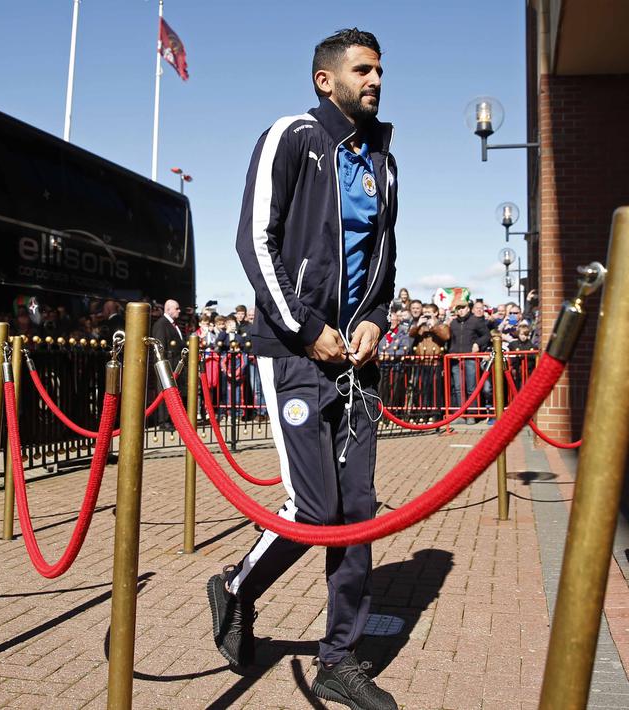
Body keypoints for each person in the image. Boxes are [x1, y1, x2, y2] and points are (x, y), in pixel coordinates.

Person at [217, 27, 399, 710]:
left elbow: (384, 262)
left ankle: (339, 659)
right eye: (362, 69)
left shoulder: (382, 160)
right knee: (314, 508)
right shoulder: (291, 136)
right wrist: (305, 327)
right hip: (294, 355)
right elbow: (254, 241)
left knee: (356, 513)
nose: (374, 79)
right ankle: (237, 587)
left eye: (379, 68)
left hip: (357, 365)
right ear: (327, 80)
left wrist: (376, 318)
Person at [442, 300, 490, 424]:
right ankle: (460, 414)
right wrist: (451, 352)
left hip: (470, 358)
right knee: (458, 388)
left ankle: (472, 414)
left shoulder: (476, 321)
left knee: (471, 387)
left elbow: (486, 336)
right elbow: (450, 340)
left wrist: (477, 344)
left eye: (462, 308)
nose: (460, 310)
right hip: (456, 359)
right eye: (458, 308)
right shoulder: (453, 323)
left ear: (468, 308)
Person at [149, 298, 183, 429]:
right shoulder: (161, 324)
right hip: (167, 364)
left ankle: (172, 418)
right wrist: (162, 365)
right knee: (164, 391)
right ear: (168, 309)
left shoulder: (174, 324)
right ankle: (164, 421)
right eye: (177, 308)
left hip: (174, 364)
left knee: (173, 391)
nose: (179, 311)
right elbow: (159, 346)